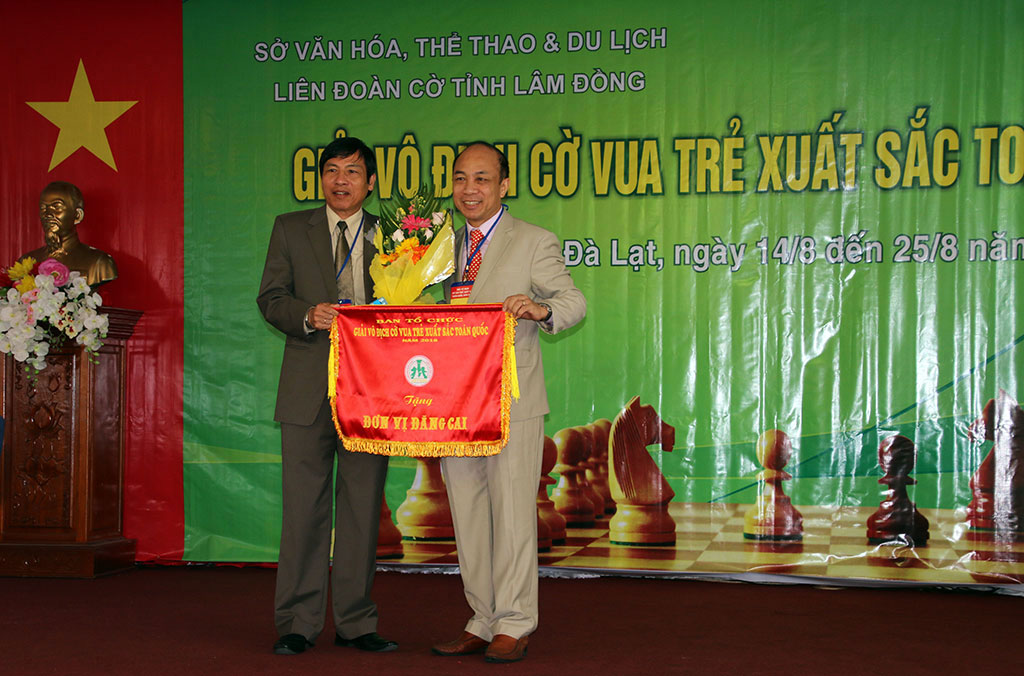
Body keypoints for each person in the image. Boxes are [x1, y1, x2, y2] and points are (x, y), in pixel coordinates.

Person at [432, 142, 586, 663]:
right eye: (460, 178)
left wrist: (540, 308)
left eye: (481, 179)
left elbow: (573, 301)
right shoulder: (436, 246)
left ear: (503, 186)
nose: (469, 189)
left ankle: (515, 623)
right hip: (453, 404)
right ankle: (482, 618)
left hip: (510, 401)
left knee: (514, 515)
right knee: (468, 515)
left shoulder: (533, 241)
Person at [256, 136, 396, 656]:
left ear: (371, 182)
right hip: (307, 388)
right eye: (332, 170)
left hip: (371, 390)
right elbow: (271, 298)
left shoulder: (398, 235)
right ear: (321, 179)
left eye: (353, 172)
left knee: (362, 509)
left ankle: (356, 622)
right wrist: (307, 315)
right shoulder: (291, 228)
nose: (341, 180)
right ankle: (298, 622)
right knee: (303, 510)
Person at [20, 181, 117, 287]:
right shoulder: (27, 262)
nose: (47, 214)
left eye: (57, 207)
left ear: (77, 215)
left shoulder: (100, 263)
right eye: (43, 208)